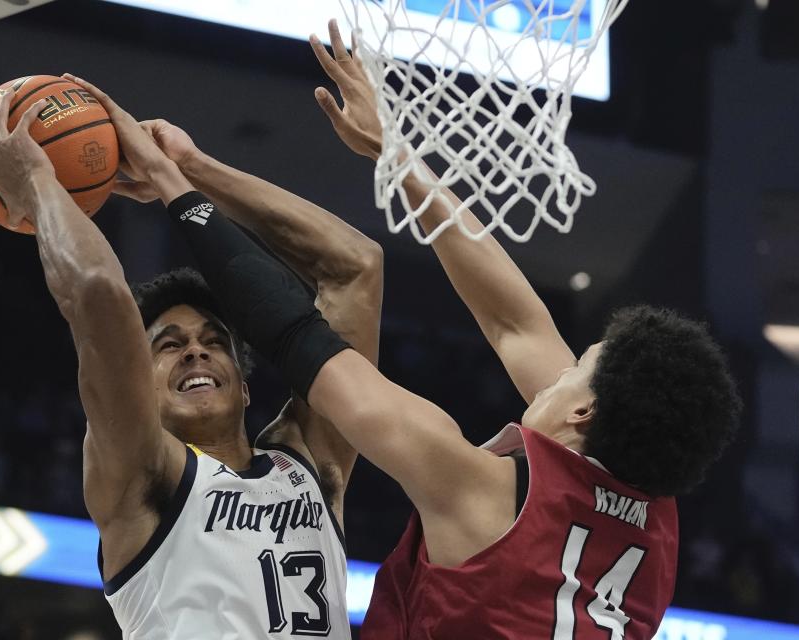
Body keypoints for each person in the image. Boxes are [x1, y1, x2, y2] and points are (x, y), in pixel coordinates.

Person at [104, 21, 740, 640]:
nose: (561, 365)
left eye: (576, 367)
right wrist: (396, 153)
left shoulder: (476, 493)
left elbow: (298, 336)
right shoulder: (653, 511)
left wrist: (173, 184)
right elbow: (514, 322)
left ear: (584, 409)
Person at [0, 78, 383, 639]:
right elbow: (97, 293)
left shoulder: (310, 461)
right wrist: (38, 181)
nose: (195, 351)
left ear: (246, 385)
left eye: (213, 341)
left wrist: (185, 168)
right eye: (169, 345)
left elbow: (357, 267)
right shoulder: (143, 474)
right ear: (141, 389)